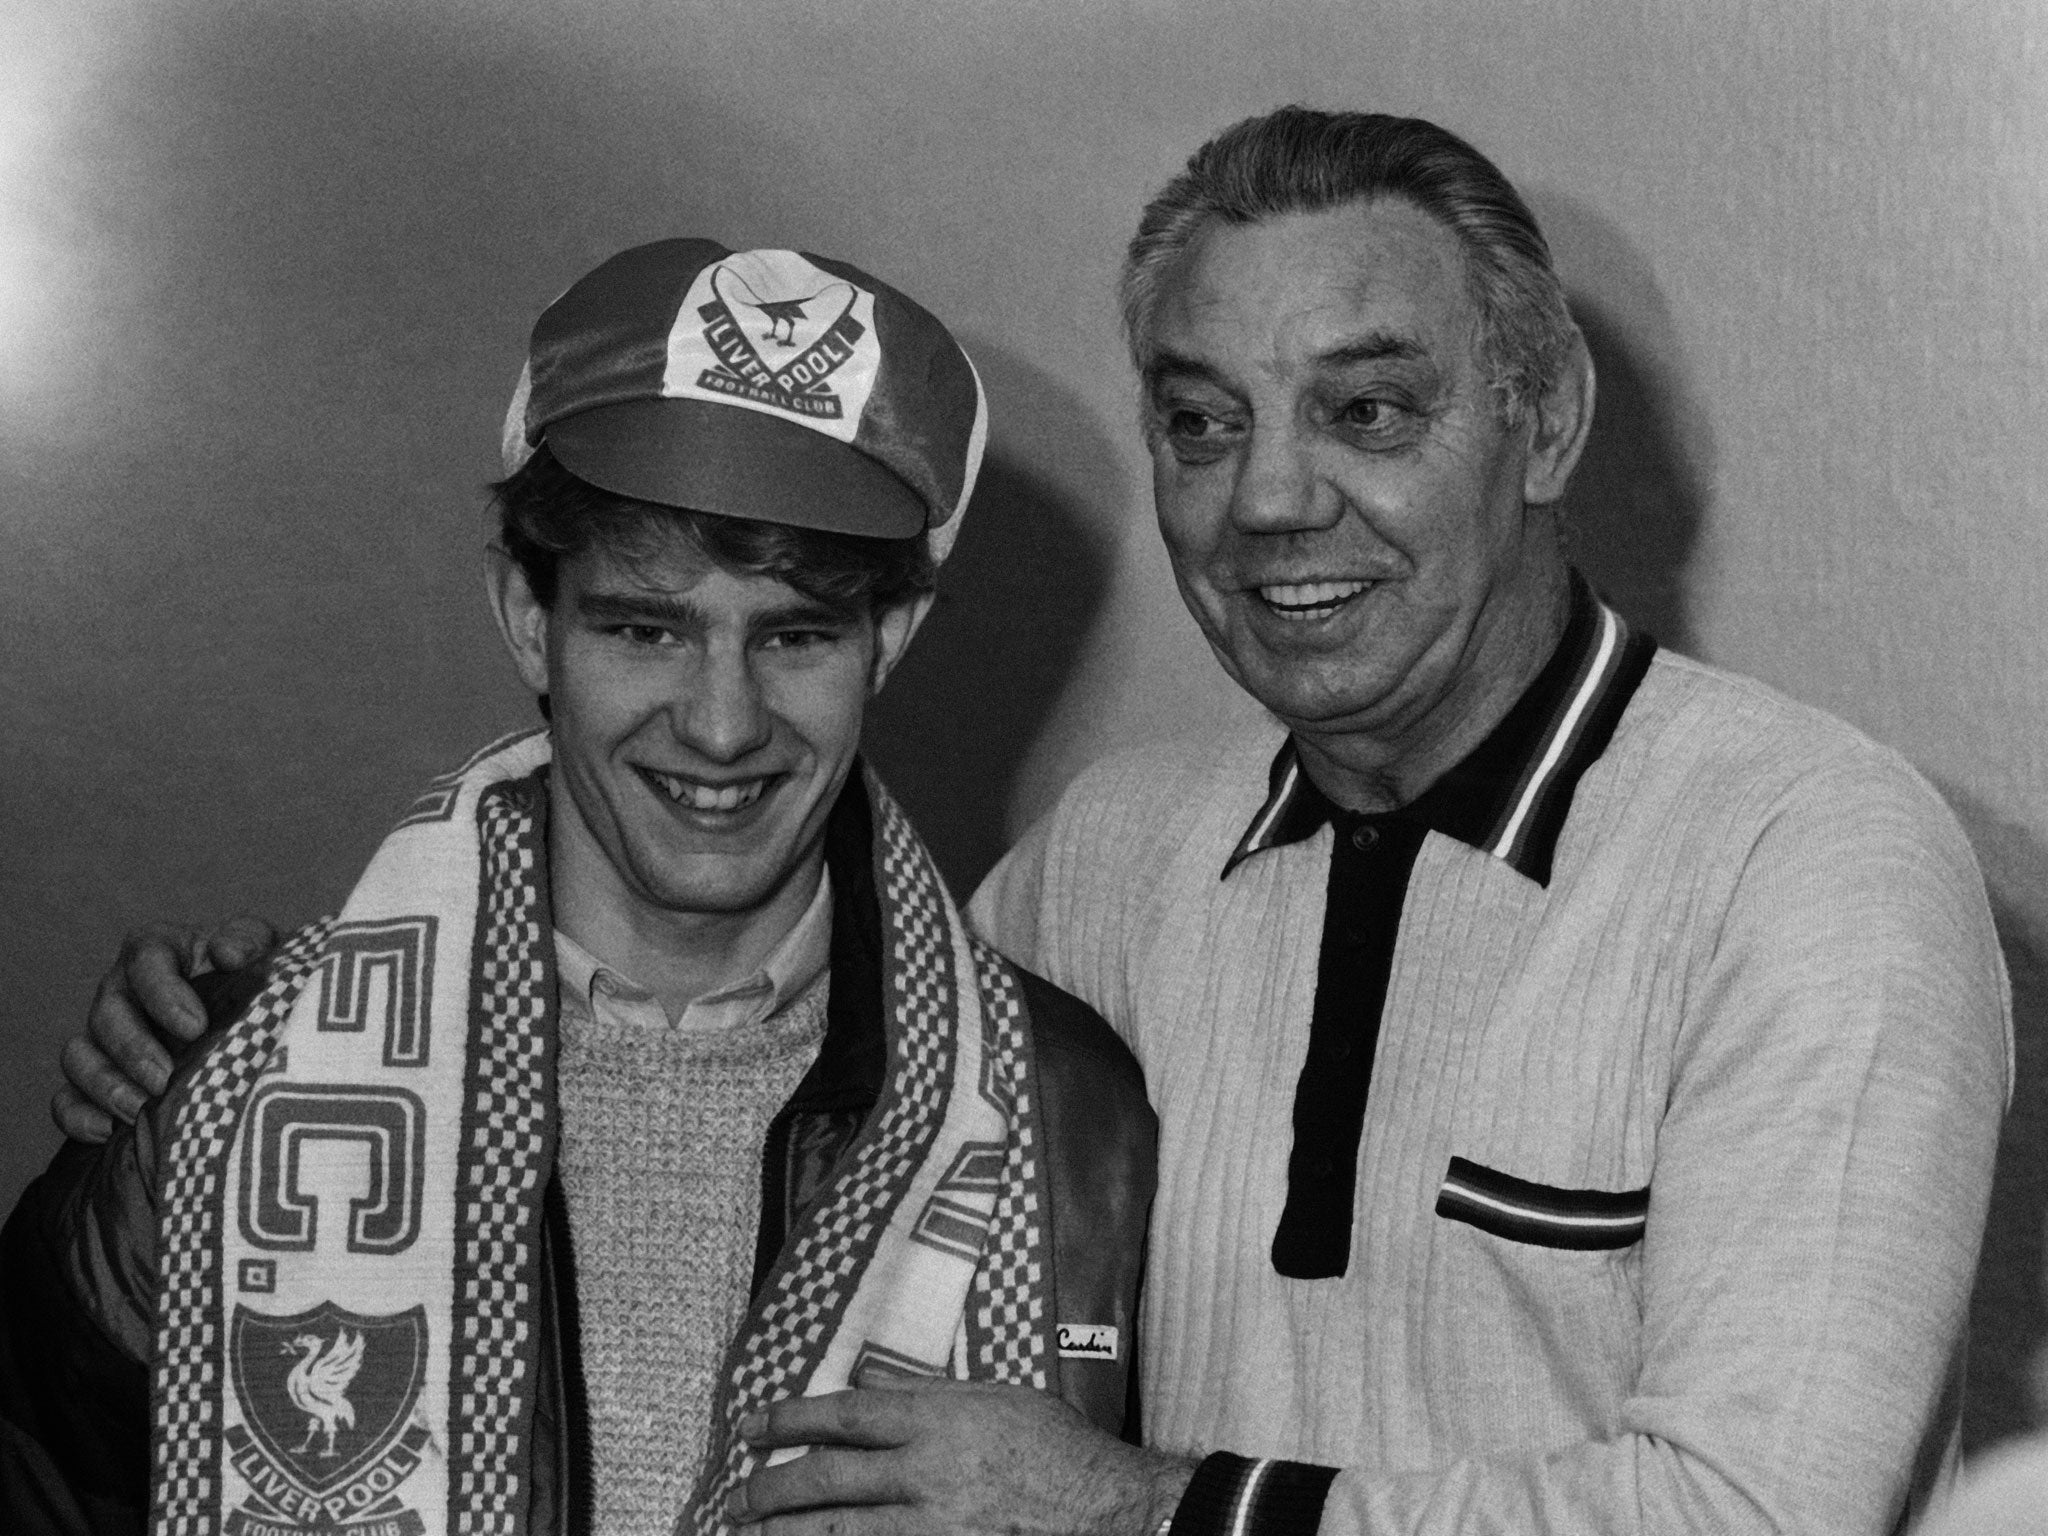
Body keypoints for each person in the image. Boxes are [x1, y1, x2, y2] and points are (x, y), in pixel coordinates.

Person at [50, 110, 2012, 1536]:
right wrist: (261, 1032)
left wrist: (1130, 1511)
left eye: (1371, 411)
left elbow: (1758, 1515)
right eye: (1200, 417)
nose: (1268, 502)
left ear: (1548, 424)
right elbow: (734, 1024)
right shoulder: (1105, 863)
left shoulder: (1808, 858)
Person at [1, 237, 1154, 1536]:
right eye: (645, 626)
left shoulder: (1074, 1124)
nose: (722, 726)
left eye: (795, 634)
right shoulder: (229, 1084)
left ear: (888, 639)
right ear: (526, 614)